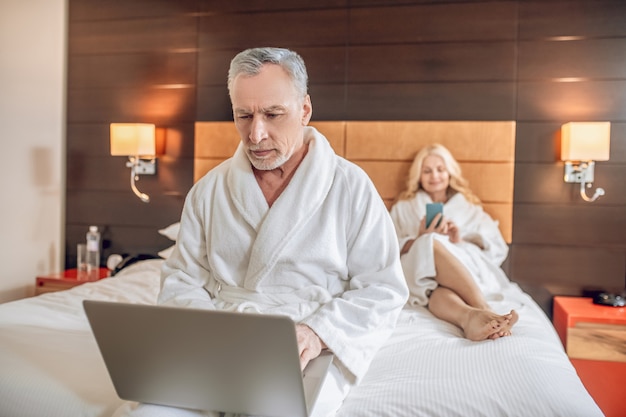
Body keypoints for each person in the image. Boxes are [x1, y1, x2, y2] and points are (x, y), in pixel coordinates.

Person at [115, 47, 409, 417]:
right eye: (244, 115)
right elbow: (181, 280)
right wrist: (210, 333)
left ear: (304, 109)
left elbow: (383, 288)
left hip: (306, 345)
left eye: (272, 114)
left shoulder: (350, 187)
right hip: (219, 340)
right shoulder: (209, 190)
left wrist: (316, 333)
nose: (256, 134)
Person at [389, 143, 518, 341]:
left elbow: (496, 245)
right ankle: (484, 309)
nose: (434, 176)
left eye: (440, 169)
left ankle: (470, 319)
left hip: (457, 263)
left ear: (449, 172)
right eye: (427, 171)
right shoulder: (404, 207)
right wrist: (419, 237)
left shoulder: (468, 206)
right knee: (430, 242)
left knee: (435, 291)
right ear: (419, 175)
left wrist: (459, 239)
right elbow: (386, 245)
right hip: (417, 266)